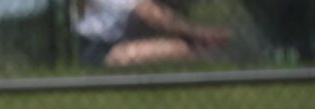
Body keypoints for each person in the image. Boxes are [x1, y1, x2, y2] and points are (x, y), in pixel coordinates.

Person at [75, 0, 229, 69]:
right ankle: (221, 57)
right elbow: (151, 14)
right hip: (102, 51)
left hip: (122, 41)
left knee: (181, 47)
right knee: (185, 48)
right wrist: (200, 34)